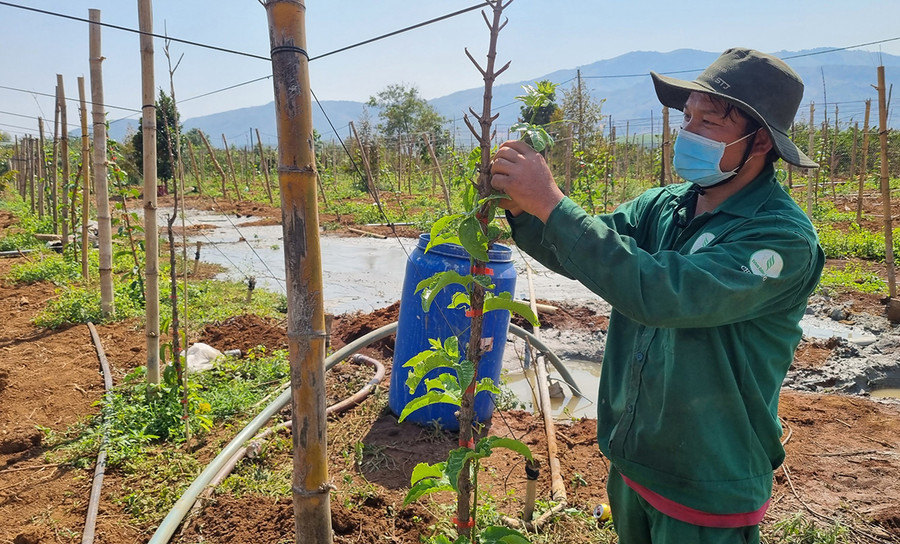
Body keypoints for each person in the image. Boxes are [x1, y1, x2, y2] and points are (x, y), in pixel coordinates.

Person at [490, 48, 825, 544]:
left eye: (708, 121)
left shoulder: (780, 239)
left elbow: (663, 293)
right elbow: (580, 251)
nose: (687, 132)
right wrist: (526, 211)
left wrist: (552, 203)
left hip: (707, 481)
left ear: (760, 142)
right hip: (634, 462)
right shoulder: (667, 205)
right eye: (686, 116)